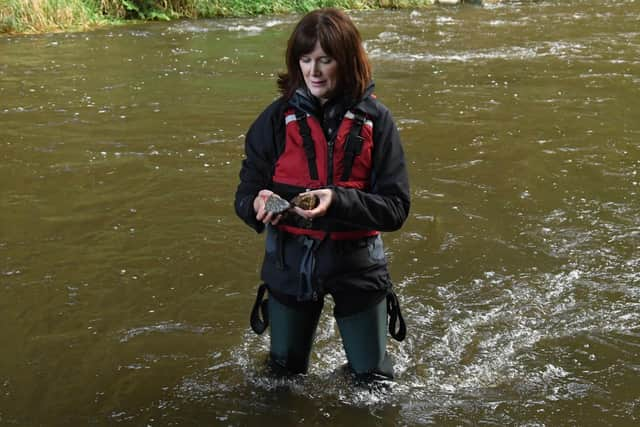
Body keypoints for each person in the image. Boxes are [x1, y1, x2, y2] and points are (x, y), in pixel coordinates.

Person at [234, 8, 410, 381]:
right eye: (306, 60)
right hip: (290, 264)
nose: (313, 72)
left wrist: (339, 199)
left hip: (357, 267)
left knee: (373, 381)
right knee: (282, 377)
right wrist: (257, 202)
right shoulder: (273, 121)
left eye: (325, 61)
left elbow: (396, 209)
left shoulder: (378, 122)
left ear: (345, 62)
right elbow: (245, 192)